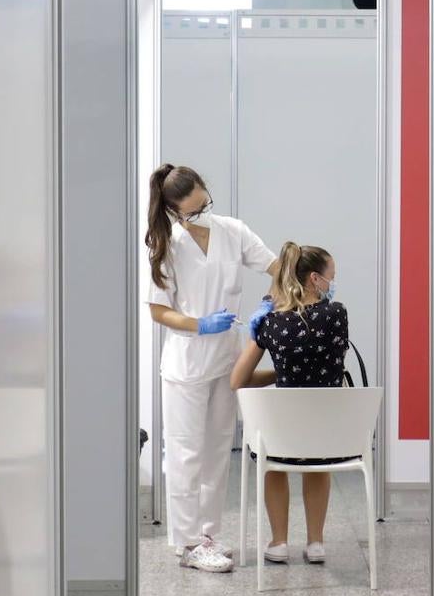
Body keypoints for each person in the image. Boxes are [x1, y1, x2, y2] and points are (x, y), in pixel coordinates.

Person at [146, 164, 277, 573]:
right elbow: (158, 311)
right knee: (186, 453)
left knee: (218, 450)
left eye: (205, 205)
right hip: (186, 361)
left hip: (227, 358)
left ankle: (208, 535)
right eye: (192, 211)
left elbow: (278, 269)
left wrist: (266, 307)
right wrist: (199, 324)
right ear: (174, 212)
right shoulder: (164, 244)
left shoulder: (234, 231)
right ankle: (186, 543)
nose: (201, 214)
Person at [230, 242, 350, 565]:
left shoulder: (270, 322)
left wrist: (278, 371)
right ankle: (315, 543)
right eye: (331, 277)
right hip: (327, 435)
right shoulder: (337, 314)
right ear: (315, 278)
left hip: (283, 436)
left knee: (273, 461)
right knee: (316, 462)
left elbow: (237, 381)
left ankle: (279, 542)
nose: (333, 284)